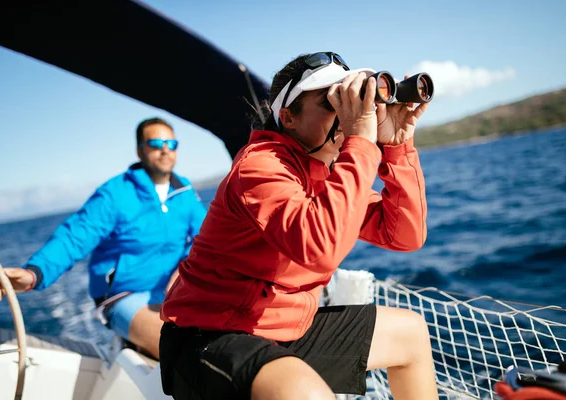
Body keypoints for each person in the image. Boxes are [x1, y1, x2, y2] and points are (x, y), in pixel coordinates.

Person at [158, 52, 439, 400]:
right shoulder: (260, 167)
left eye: (347, 99)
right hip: (208, 338)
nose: (344, 113)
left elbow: (405, 235)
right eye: (330, 102)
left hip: (284, 331)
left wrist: (396, 148)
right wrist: (362, 142)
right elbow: (318, 248)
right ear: (288, 117)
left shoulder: (327, 176)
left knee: (409, 334)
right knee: (303, 392)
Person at [0, 117, 207, 360]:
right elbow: (74, 237)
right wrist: (33, 273)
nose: (165, 149)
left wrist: (188, 265)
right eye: (156, 143)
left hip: (173, 290)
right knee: (184, 351)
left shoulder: (184, 191)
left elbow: (206, 237)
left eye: (171, 143)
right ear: (140, 150)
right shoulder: (115, 194)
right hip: (125, 295)